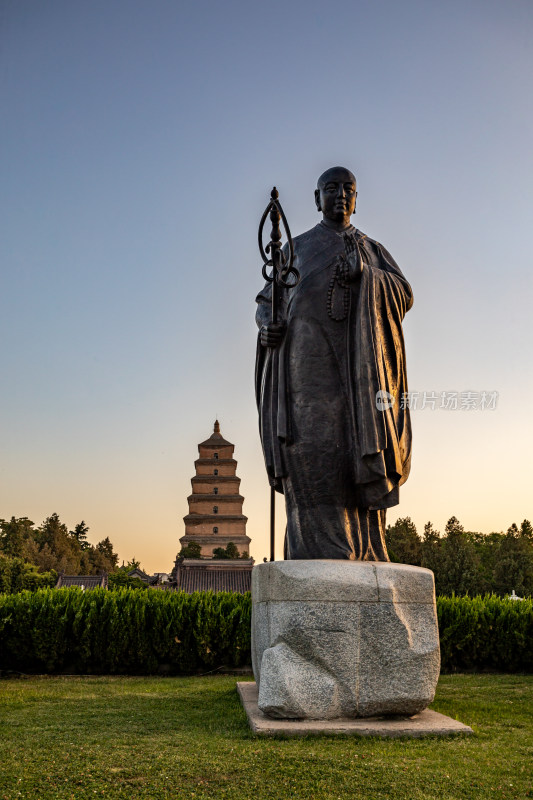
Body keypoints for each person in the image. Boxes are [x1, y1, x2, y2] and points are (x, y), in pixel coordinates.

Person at [255, 166, 413, 560]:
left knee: (358, 449)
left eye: (348, 189)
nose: (340, 195)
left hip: (359, 374)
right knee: (311, 452)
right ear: (316, 199)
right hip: (305, 373)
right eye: (331, 189)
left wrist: (366, 276)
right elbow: (266, 302)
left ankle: (364, 550)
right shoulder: (298, 248)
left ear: (356, 200)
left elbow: (404, 293)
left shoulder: (371, 250)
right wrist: (269, 328)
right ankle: (314, 554)